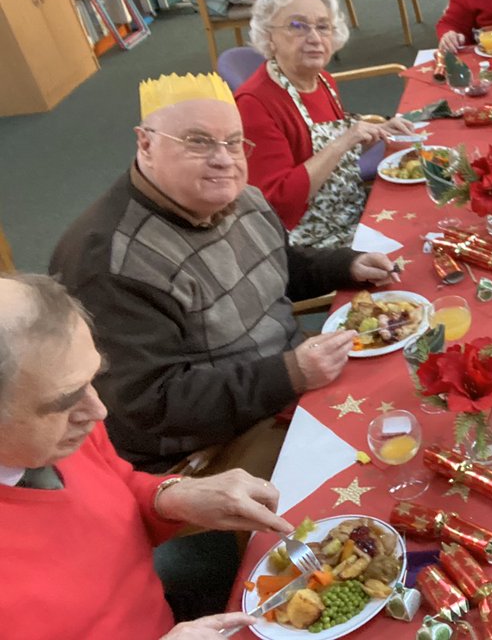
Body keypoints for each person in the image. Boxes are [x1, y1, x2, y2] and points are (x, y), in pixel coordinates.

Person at [50, 73, 398, 476]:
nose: (224, 159)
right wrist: (290, 374)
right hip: (211, 442)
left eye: (234, 142)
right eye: (198, 141)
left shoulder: (239, 196)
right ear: (145, 143)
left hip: (283, 378)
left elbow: (273, 265)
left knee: (409, 386)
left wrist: (344, 265)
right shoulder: (108, 260)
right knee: (378, 468)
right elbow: (150, 407)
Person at [0, 273, 294, 640]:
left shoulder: (68, 434)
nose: (98, 411)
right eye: (65, 402)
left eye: (93, 379)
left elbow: (117, 482)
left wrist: (171, 498)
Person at [237, 0, 415, 248]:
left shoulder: (322, 80)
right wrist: (345, 140)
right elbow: (278, 203)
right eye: (297, 26)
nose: (315, 38)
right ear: (269, 36)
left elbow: (327, 161)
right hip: (307, 243)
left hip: (349, 212)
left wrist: (377, 132)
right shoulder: (254, 103)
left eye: (323, 26)